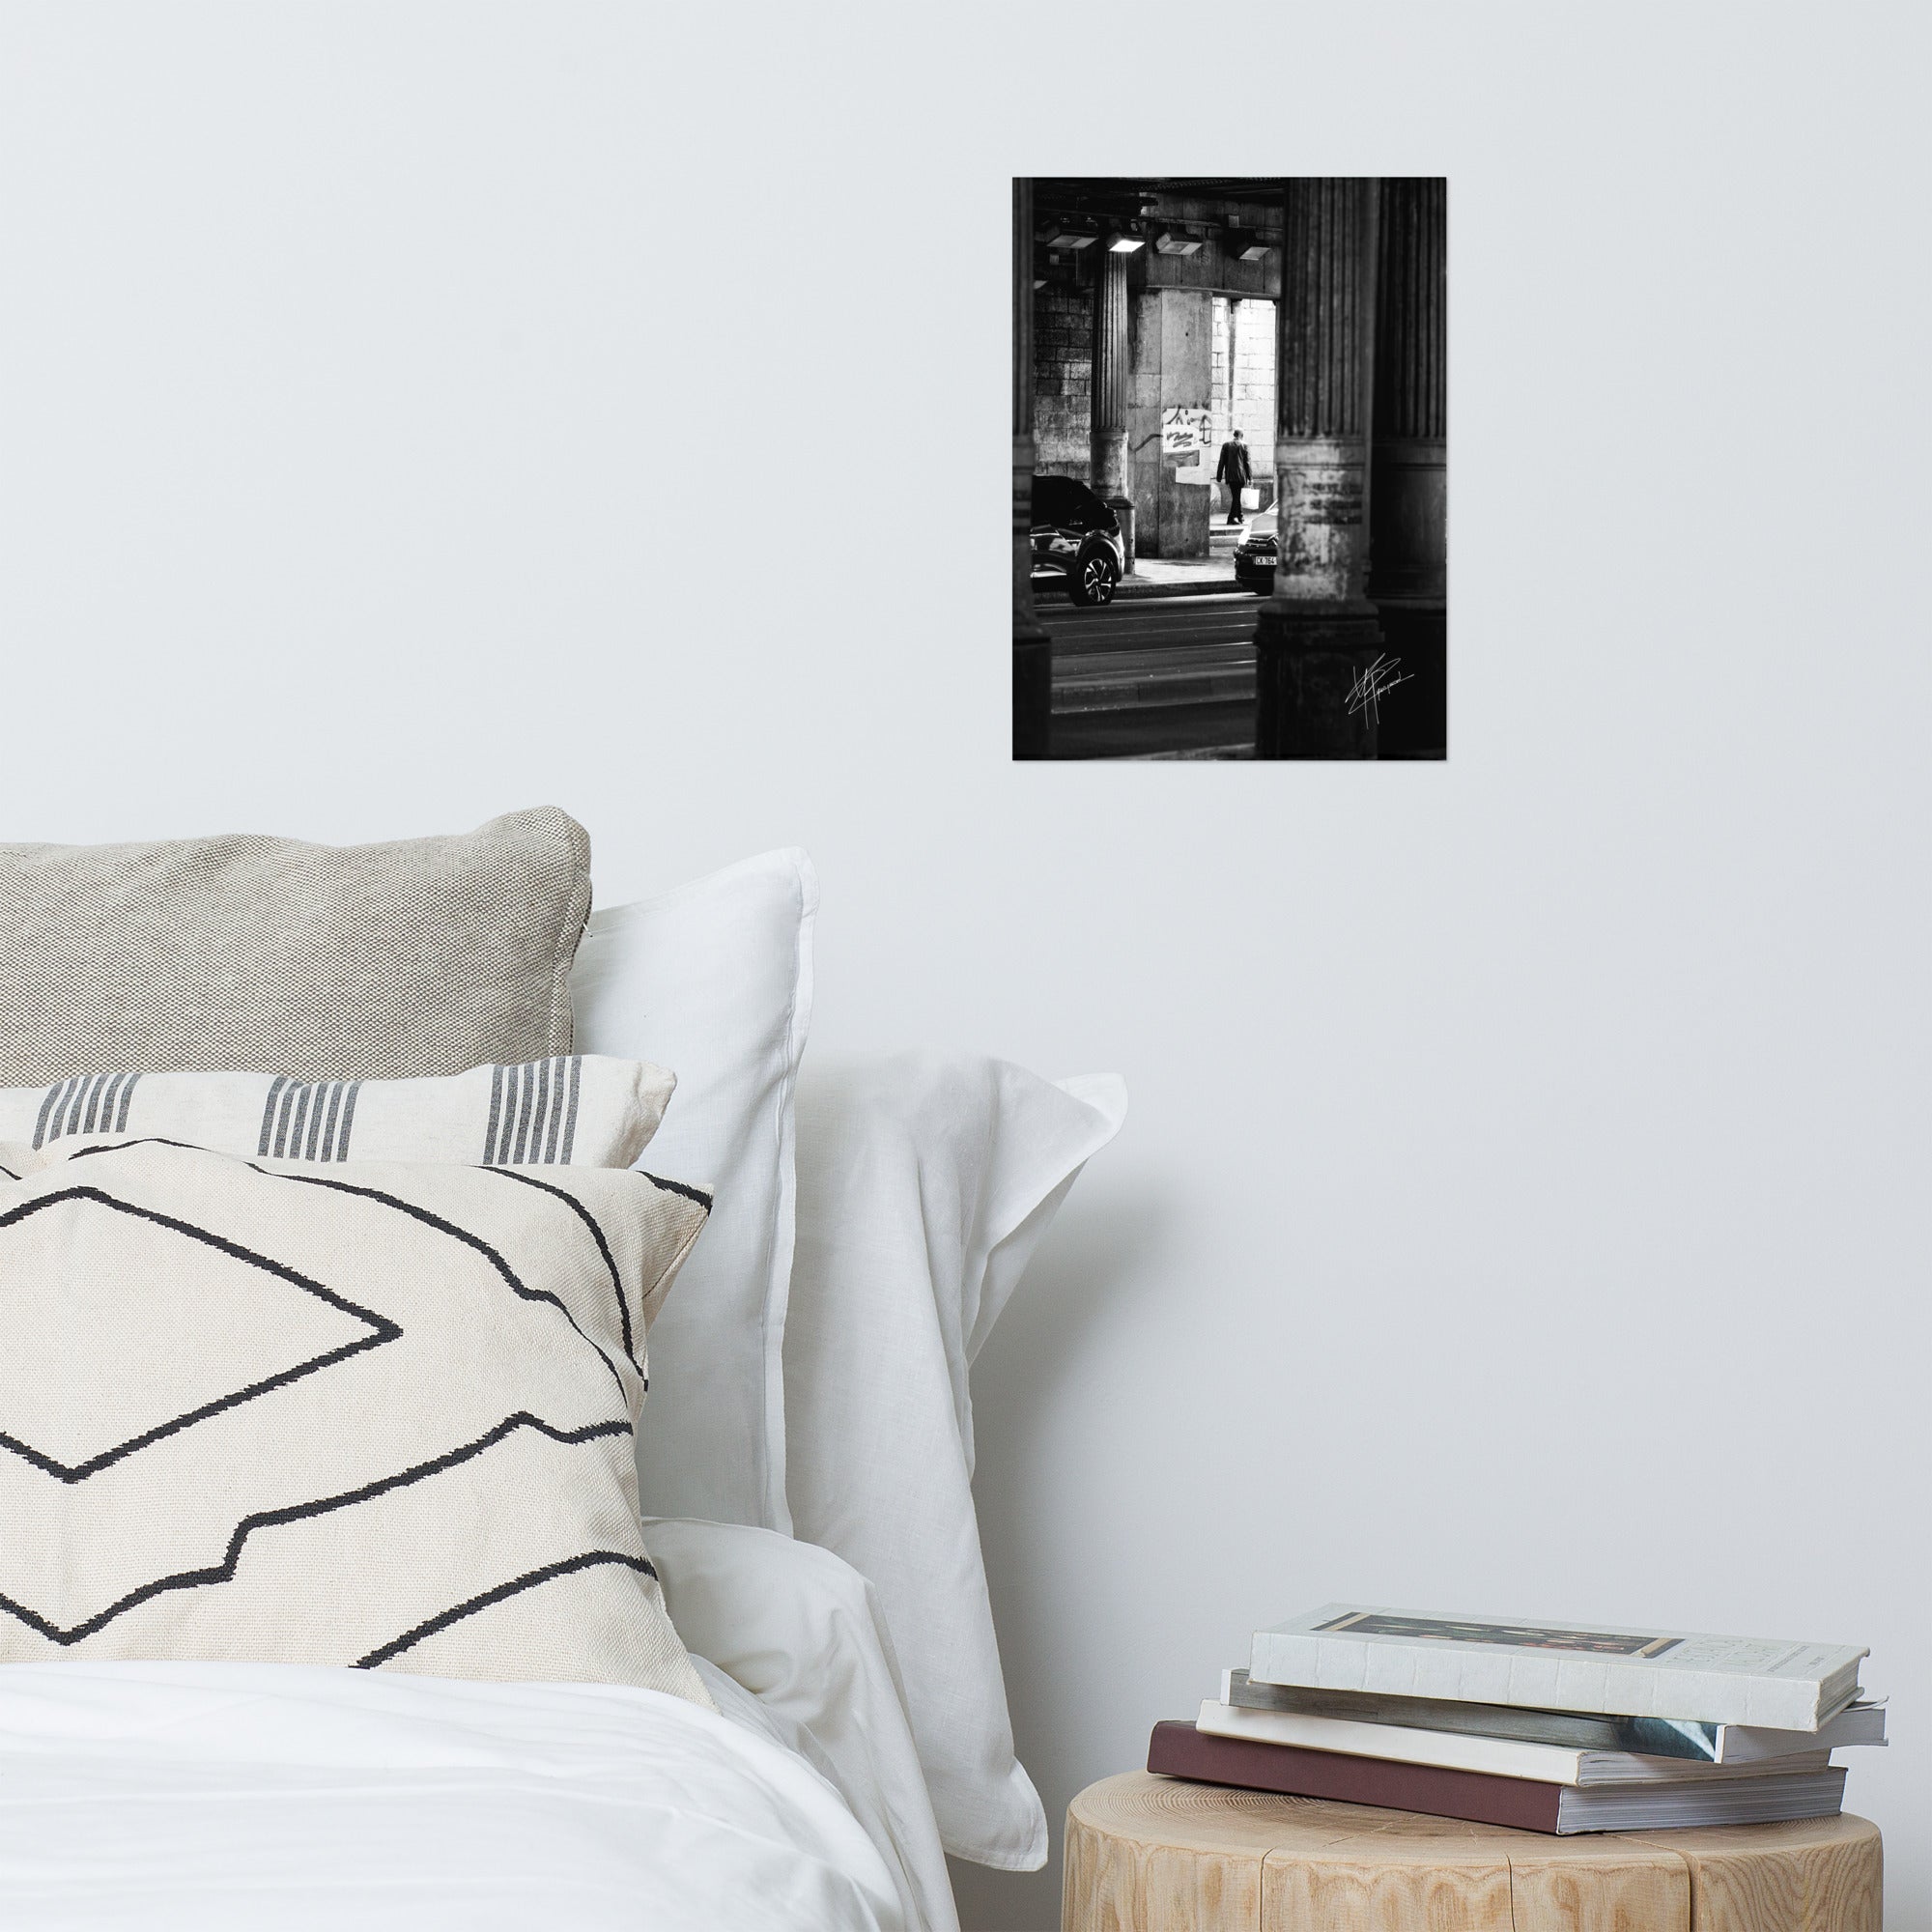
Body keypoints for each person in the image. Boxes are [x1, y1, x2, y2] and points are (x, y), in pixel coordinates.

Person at [1215, 428, 1252, 525]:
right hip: (1241, 476)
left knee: (1236, 495)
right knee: (1236, 496)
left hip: (1230, 476)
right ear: (1241, 435)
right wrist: (1250, 477)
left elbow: (1221, 462)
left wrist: (1219, 476)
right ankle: (1231, 517)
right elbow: (1247, 463)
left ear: (1234, 435)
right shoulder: (1244, 445)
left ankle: (1240, 516)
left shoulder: (1226, 445)